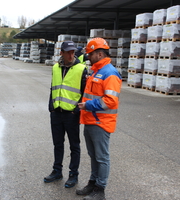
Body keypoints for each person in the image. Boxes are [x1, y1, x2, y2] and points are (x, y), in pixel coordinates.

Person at [76, 38, 122, 200]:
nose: (88, 56)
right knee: (93, 155)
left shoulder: (110, 73)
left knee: (102, 157)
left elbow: (110, 100)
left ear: (100, 53)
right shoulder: (96, 71)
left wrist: (88, 106)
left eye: (90, 54)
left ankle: (100, 190)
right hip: (90, 121)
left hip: (101, 122)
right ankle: (93, 183)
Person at [44, 41, 87, 188]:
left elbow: (85, 92)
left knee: (74, 146)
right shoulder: (56, 67)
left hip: (71, 114)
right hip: (56, 112)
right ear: (61, 52)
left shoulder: (81, 69)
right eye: (68, 52)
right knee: (58, 144)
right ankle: (57, 171)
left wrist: (77, 110)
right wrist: (51, 105)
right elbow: (53, 87)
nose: (71, 54)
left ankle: (73, 175)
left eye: (73, 51)